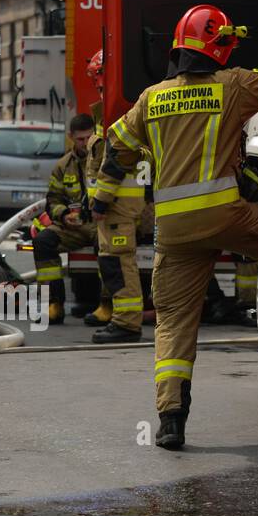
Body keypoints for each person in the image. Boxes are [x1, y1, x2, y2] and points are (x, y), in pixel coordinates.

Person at [96, 4, 258, 449]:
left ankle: (170, 420)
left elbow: (116, 147)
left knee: (174, 321)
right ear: (218, 47)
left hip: (174, 232)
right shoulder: (234, 86)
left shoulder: (151, 98)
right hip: (226, 216)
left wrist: (102, 198)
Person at [82, 49, 150, 343]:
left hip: (119, 205)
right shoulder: (106, 110)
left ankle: (127, 323)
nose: (96, 84)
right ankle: (122, 319)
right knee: (113, 262)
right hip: (115, 205)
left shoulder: (118, 111)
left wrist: (101, 200)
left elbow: (117, 159)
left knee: (120, 262)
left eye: (98, 77)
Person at [32, 113, 98, 324]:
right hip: (73, 227)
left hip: (100, 225)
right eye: (80, 139)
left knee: (110, 250)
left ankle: (107, 305)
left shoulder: (104, 160)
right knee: (43, 242)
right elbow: (53, 199)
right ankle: (54, 303)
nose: (85, 143)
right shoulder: (63, 165)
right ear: (71, 137)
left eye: (89, 137)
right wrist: (63, 214)